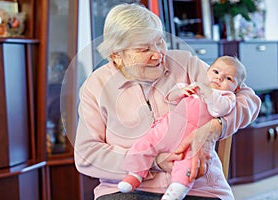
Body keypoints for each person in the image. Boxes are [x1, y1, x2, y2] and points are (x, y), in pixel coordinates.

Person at [74, 3, 261, 200]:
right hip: (126, 189)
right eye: (144, 49)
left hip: (198, 186)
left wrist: (215, 128)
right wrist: (152, 161)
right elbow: (87, 155)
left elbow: (248, 99)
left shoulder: (186, 64)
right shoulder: (96, 86)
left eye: (160, 41)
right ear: (117, 55)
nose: (158, 54)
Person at [117, 56, 246, 200]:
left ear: (237, 87)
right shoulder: (194, 86)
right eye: (215, 72)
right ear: (207, 72)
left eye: (228, 78)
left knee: (189, 161)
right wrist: (182, 91)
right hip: (167, 127)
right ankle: (134, 175)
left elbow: (219, 109)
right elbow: (171, 98)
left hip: (189, 138)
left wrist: (207, 91)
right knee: (144, 144)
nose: (219, 78)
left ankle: (177, 190)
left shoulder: (226, 96)